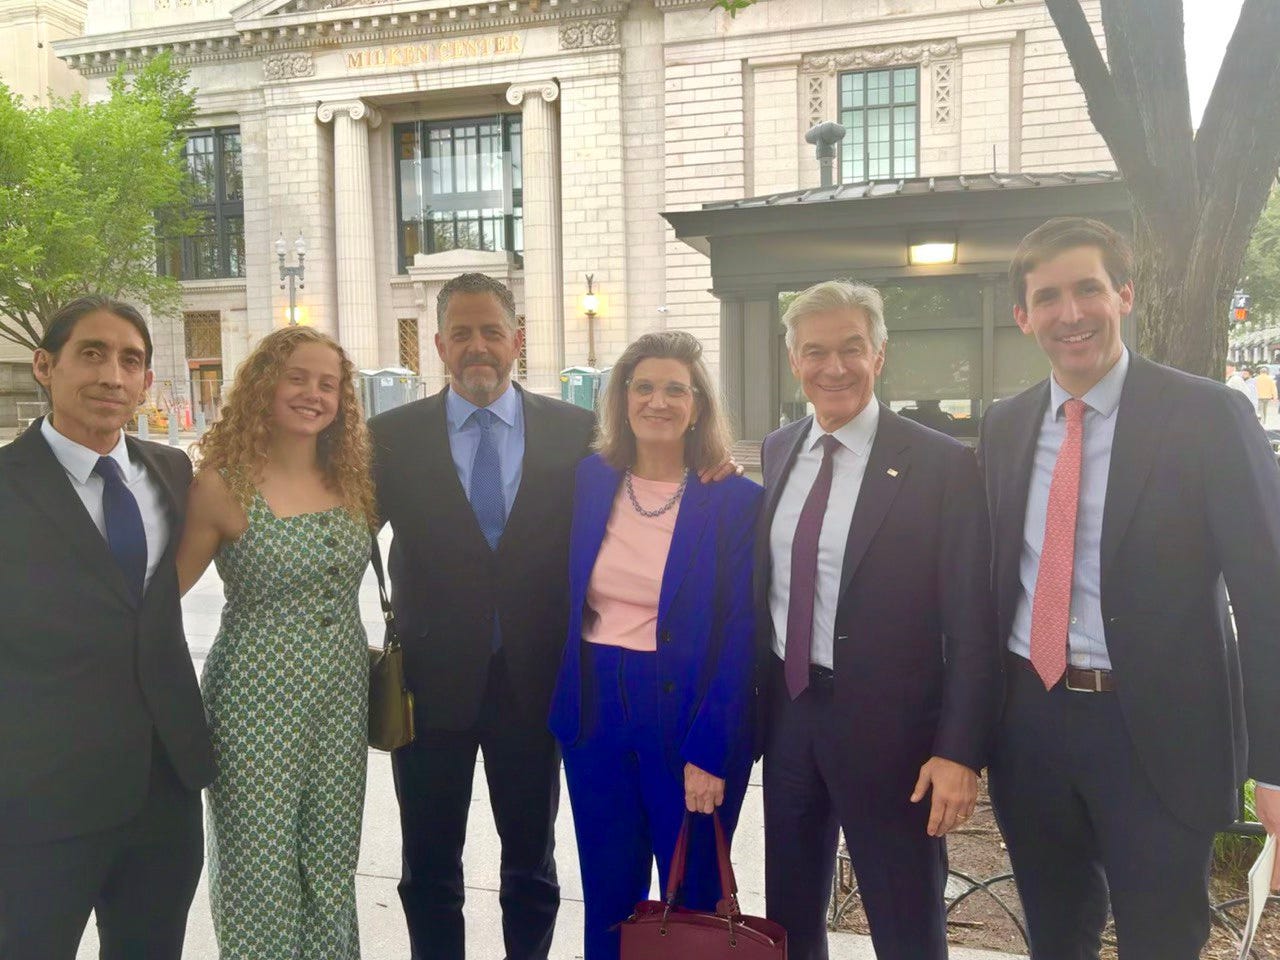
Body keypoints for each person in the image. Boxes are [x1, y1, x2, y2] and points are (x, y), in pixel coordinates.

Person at [978, 217, 1280, 958]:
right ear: (1023, 316)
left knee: (1162, 941)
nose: (1070, 313)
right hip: (1030, 727)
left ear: (1125, 295)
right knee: (1055, 937)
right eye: (1047, 297)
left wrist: (1276, 764)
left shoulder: (1209, 415)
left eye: (1088, 289)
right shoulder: (1006, 425)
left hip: (1158, 735)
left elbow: (1266, 597)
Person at [757, 280, 1000, 960]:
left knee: (905, 922)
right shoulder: (778, 449)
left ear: (879, 355)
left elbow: (973, 621)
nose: (833, 367)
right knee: (790, 918)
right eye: (815, 351)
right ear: (794, 360)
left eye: (851, 348)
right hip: (790, 716)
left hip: (895, 734)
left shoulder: (942, 463)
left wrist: (960, 750)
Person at [0, 296, 215, 960]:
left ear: (147, 381)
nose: (111, 376)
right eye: (91, 354)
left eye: (130, 360)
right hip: (41, 799)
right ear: (45, 366)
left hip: (163, 790)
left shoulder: (171, 470)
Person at [548, 331, 762, 960]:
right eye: (643, 387)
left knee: (690, 899)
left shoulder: (735, 500)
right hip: (595, 714)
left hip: (688, 715)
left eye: (675, 389)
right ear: (623, 398)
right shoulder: (590, 480)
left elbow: (743, 631)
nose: (657, 401)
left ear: (698, 405)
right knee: (608, 897)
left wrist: (711, 750)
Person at [176, 326, 377, 959]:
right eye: (298, 378)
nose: (314, 394)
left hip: (341, 698)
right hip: (254, 700)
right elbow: (160, 597)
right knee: (257, 870)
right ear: (265, 384)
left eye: (328, 384)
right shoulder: (222, 485)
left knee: (330, 862)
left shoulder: (349, 479)